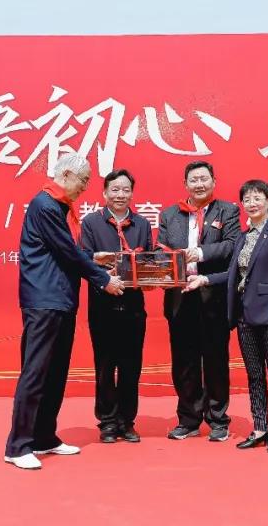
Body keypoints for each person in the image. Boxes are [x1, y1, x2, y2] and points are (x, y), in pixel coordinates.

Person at [4, 153, 125, 470]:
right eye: (83, 180)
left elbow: (66, 250)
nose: (85, 187)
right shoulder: (45, 204)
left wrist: (93, 259)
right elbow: (67, 252)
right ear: (67, 174)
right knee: (36, 372)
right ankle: (18, 445)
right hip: (44, 299)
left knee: (55, 372)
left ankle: (44, 436)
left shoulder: (59, 207)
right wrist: (103, 280)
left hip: (61, 299)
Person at [185, 179, 268, 452]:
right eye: (247, 199)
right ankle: (260, 428)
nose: (252, 203)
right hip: (245, 315)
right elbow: (233, 274)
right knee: (254, 375)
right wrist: (204, 279)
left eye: (258, 198)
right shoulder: (243, 237)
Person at [157, 160, 241, 442]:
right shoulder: (170, 214)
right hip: (180, 296)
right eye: (193, 180)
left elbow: (231, 244)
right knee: (184, 361)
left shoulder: (227, 210)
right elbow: (161, 249)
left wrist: (201, 253)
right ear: (185, 184)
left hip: (212, 295)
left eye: (204, 179)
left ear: (214, 181)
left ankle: (218, 419)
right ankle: (188, 419)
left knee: (215, 359)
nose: (199, 184)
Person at [79, 168, 152, 443]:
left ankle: (127, 421)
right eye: (115, 189)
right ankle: (108, 422)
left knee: (132, 365)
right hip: (103, 305)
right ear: (104, 193)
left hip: (134, 305)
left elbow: (149, 260)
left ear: (132, 193)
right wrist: (103, 274)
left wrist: (152, 277)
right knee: (105, 365)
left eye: (126, 190)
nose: (120, 195)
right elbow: (83, 260)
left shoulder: (142, 224)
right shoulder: (91, 223)